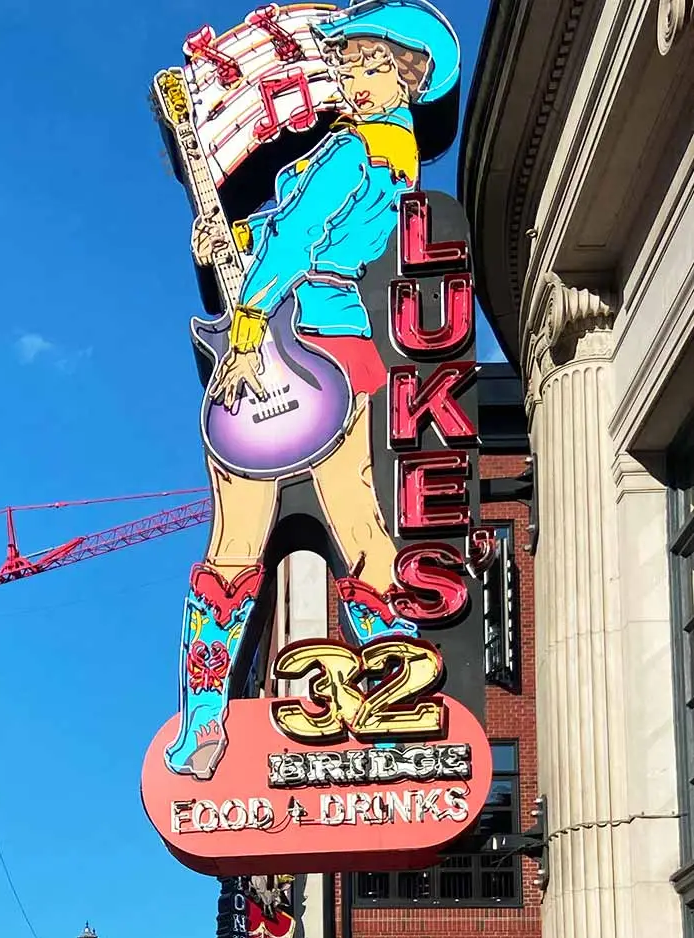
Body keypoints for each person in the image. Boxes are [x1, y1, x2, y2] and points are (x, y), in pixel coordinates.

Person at [166, 1, 462, 778]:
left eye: (362, 64)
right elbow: (303, 235)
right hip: (347, 345)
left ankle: (204, 723)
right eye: (349, 62)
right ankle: (400, 704)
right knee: (362, 529)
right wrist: (228, 239)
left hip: (279, 340)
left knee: (234, 543)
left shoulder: (348, 153)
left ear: (408, 75)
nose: (345, 74)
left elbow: (298, 241)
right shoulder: (391, 161)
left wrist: (245, 321)